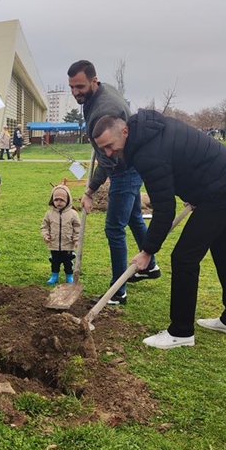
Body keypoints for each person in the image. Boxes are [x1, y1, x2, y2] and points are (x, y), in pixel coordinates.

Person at [90, 109, 226, 350]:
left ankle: (181, 331)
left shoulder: (147, 154)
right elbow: (184, 161)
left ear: (124, 131)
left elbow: (164, 210)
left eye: (110, 146)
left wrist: (146, 251)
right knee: (225, 252)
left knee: (184, 258)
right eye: (103, 149)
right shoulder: (147, 129)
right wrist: (196, 192)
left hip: (221, 189)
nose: (109, 153)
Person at [68, 60, 159, 307]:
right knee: (133, 217)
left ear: (94, 81)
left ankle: (118, 291)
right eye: (72, 87)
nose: (76, 92)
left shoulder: (103, 111)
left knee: (114, 228)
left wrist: (90, 191)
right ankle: (150, 266)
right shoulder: (100, 93)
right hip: (132, 163)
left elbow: (108, 160)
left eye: (80, 86)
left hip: (123, 168)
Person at [40, 183, 81, 285]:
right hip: (54, 244)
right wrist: (45, 235)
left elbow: (77, 228)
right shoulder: (49, 214)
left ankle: (69, 276)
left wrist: (76, 239)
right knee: (55, 262)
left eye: (62, 200)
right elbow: (44, 227)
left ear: (68, 200)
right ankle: (54, 276)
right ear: (52, 200)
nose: (59, 202)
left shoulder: (73, 214)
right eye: (56, 200)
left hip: (68, 245)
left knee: (68, 262)